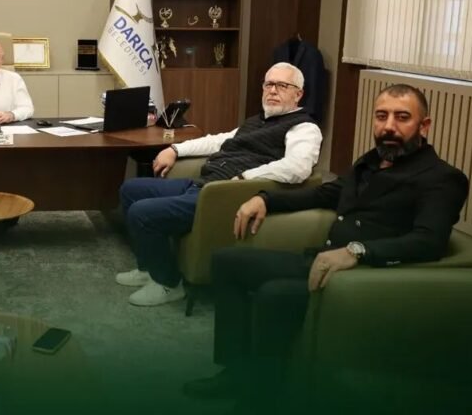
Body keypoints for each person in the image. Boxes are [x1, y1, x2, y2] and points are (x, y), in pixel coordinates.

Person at [185, 84, 469, 398]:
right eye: (381, 116)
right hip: (322, 262)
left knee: (274, 294)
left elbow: (428, 241)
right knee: (227, 261)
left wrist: (358, 251)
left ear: (424, 126)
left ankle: (260, 400)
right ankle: (235, 372)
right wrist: (266, 199)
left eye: (402, 117)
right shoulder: (370, 162)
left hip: (365, 278)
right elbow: (326, 194)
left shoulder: (441, 177)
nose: (389, 126)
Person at [117, 63, 321, 307]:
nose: (273, 90)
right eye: (269, 84)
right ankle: (148, 268)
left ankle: (168, 283)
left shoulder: (304, 128)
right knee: (131, 190)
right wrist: (174, 149)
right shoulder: (257, 121)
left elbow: (298, 167)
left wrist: (246, 177)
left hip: (223, 195)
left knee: (142, 212)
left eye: (282, 85)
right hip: (205, 183)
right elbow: (218, 141)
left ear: (298, 94)